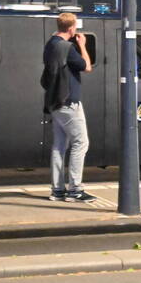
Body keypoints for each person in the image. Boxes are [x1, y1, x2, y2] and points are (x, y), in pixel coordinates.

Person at [41, 12, 96, 203]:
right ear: (72, 28)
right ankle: (75, 190)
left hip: (54, 101)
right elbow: (87, 66)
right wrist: (82, 45)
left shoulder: (50, 44)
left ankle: (57, 190)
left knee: (59, 146)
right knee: (81, 143)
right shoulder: (68, 47)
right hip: (69, 102)